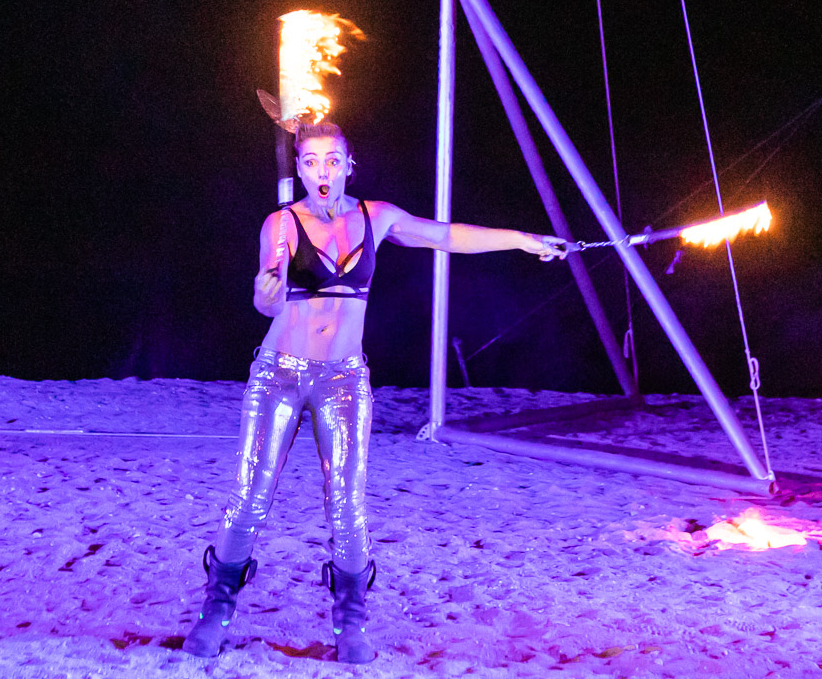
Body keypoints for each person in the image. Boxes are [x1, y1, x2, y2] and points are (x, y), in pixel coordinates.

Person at [183, 120, 566, 663]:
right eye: (311, 161)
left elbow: (445, 235)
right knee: (249, 500)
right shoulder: (281, 223)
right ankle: (217, 604)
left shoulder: (376, 217)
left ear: (348, 165)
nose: (322, 170)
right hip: (279, 375)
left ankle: (350, 615)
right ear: (299, 168)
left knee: (347, 506)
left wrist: (523, 241)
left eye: (332, 160)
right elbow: (266, 300)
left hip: (343, 379)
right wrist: (265, 291)